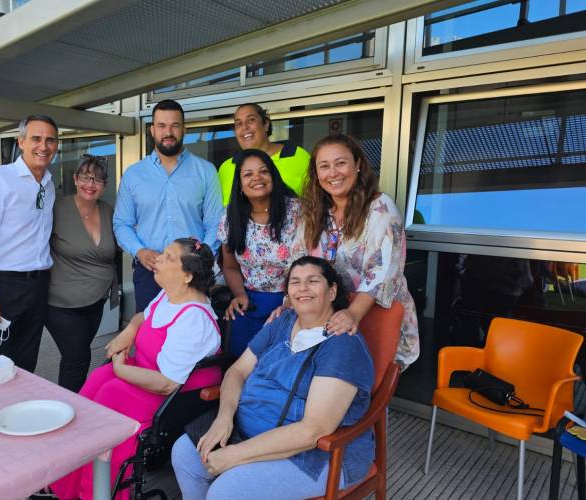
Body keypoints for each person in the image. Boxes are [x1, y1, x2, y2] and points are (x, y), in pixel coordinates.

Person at [171, 256, 374, 500]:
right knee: (184, 454)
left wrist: (235, 455)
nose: (303, 288)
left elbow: (314, 430)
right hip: (247, 429)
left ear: (332, 292)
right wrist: (223, 418)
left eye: (313, 281)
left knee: (226, 491)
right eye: (295, 282)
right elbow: (237, 371)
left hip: (313, 455)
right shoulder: (283, 322)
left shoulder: (342, 345)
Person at [49, 238, 223, 500]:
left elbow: (167, 383)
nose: (158, 259)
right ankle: (64, 483)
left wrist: (121, 370)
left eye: (168, 257)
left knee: (110, 394)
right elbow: (144, 316)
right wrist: (130, 330)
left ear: (187, 276)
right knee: (96, 381)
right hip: (146, 373)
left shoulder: (194, 319)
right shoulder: (169, 295)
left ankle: (94, 492)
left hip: (174, 398)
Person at [302, 133, 419, 368]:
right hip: (334, 319)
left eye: (340, 163)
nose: (333, 173)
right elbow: (304, 262)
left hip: (376, 318)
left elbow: (382, 271)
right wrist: (290, 301)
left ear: (357, 164)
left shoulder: (380, 207)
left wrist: (353, 313)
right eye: (324, 166)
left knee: (368, 381)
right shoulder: (317, 212)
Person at [0, 114, 57, 372]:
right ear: (21, 142)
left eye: (50, 140)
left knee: (27, 362)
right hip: (4, 284)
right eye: (36, 138)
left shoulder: (49, 184)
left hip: (38, 284)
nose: (43, 146)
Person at [113, 99, 223, 312]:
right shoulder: (134, 174)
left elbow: (215, 223)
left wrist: (202, 259)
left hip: (192, 273)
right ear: (152, 130)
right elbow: (121, 223)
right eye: (162, 125)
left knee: (192, 329)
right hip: (149, 271)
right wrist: (139, 251)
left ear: (184, 129)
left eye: (175, 125)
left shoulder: (206, 171)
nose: (168, 132)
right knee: (149, 328)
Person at [220, 149, 305, 357]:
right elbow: (230, 266)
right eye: (248, 174)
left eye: (263, 171)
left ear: (273, 176)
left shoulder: (298, 211)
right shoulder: (231, 216)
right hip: (250, 302)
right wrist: (240, 294)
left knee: (278, 363)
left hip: (293, 302)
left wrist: (291, 302)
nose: (257, 177)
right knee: (239, 361)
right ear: (240, 185)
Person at [45, 154, 117, 391]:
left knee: (77, 355)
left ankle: (70, 402)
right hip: (61, 302)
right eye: (85, 177)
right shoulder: (57, 208)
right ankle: (69, 405)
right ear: (75, 179)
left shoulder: (108, 211)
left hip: (96, 300)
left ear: (104, 185)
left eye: (97, 180)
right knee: (78, 358)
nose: (90, 184)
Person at [217, 103, 310, 206]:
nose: (244, 127)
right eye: (239, 124)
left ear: (266, 124)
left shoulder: (299, 156)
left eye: (251, 120)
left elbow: (315, 203)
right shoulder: (226, 168)